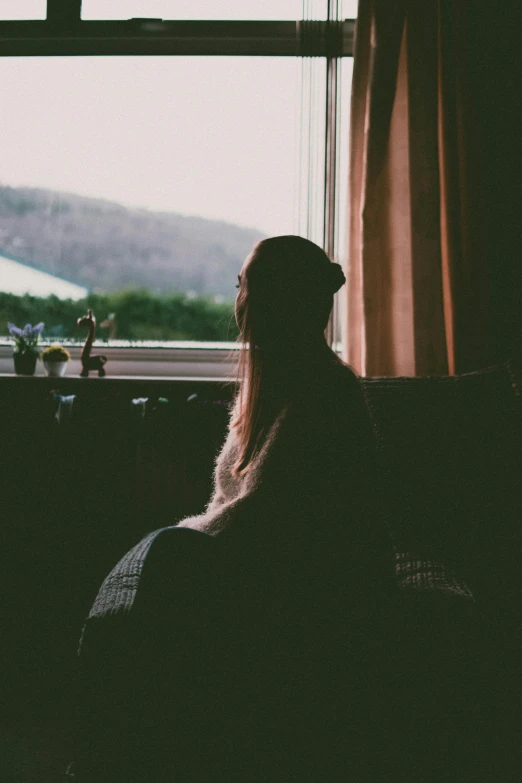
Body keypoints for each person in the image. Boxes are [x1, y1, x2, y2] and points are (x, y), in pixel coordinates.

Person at [71, 236, 399, 782]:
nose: (237, 295)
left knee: (172, 552)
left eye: (245, 283)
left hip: (323, 587)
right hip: (279, 567)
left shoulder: (325, 394)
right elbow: (233, 502)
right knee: (170, 552)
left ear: (273, 301)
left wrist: (177, 543)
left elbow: (263, 519)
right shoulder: (274, 388)